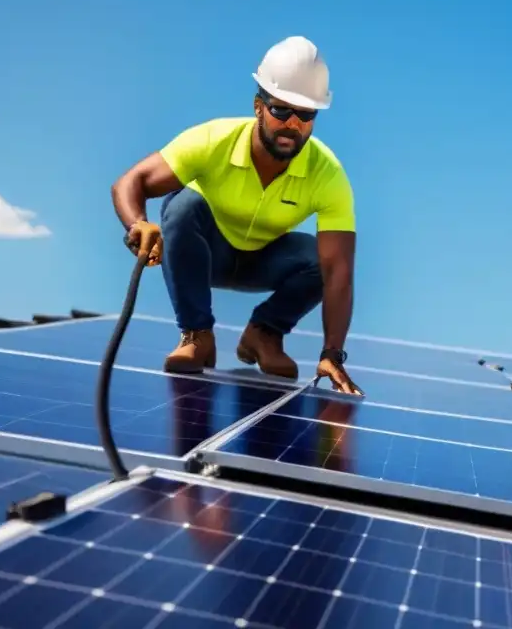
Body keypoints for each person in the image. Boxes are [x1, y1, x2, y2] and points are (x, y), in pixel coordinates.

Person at [111, 35, 363, 396]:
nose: (293, 124)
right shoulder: (213, 140)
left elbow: (339, 273)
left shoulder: (328, 174)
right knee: (183, 206)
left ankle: (264, 334)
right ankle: (197, 335)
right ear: (258, 106)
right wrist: (137, 224)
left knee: (323, 260)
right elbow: (129, 183)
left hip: (264, 262)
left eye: (306, 114)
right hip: (204, 255)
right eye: (281, 110)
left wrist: (332, 354)